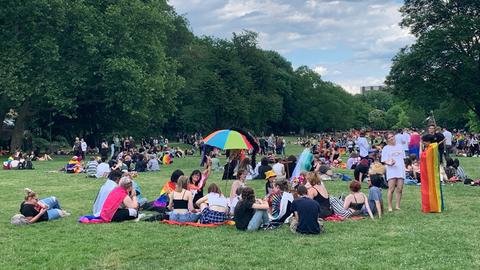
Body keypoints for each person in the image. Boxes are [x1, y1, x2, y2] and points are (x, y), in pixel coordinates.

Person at [381, 132, 406, 212]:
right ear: (387, 140)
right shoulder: (386, 148)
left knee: (400, 188)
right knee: (391, 189)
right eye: (389, 138)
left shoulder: (400, 146)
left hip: (400, 169)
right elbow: (384, 160)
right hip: (391, 170)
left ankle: (397, 206)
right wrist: (390, 163)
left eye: (392, 136)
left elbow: (403, 158)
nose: (391, 138)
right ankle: (389, 206)